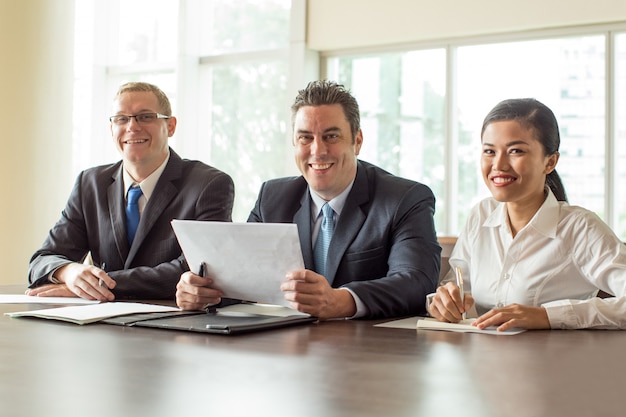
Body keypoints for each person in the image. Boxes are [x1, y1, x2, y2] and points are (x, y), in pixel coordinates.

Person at [176, 80, 441, 319]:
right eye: (305, 138)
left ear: (357, 141)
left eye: (331, 136)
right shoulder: (272, 198)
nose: (318, 150)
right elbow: (243, 277)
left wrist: (343, 300)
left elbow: (416, 281)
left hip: (370, 355)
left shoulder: (404, 199)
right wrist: (202, 291)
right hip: (287, 350)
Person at [429, 98, 626, 330]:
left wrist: (546, 316)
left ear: (550, 162)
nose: (499, 164)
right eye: (489, 151)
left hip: (558, 362)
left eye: (516, 151)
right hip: (484, 361)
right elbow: (457, 288)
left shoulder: (579, 227)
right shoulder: (481, 215)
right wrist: (442, 302)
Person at [27, 82, 234, 301]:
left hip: (173, 323)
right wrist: (70, 273)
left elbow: (198, 269)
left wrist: (99, 285)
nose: (132, 127)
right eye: (121, 119)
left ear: (171, 126)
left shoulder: (209, 184)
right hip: (100, 325)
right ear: (111, 129)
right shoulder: (90, 183)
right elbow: (42, 260)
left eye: (145, 116)